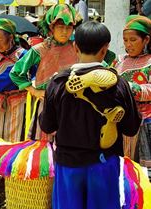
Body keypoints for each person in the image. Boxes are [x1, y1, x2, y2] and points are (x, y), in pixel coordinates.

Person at [39, 21, 142, 209]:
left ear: (75, 47)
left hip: (68, 164)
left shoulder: (57, 82)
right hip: (104, 163)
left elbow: (47, 126)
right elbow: (131, 127)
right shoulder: (119, 84)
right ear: (105, 50)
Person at [10, 4, 78, 140]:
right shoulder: (40, 49)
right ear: (51, 28)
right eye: (60, 27)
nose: (65, 31)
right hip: (46, 105)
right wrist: (34, 91)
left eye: (69, 27)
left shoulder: (77, 48)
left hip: (73, 106)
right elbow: (16, 73)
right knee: (43, 151)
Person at [114, 15, 151, 175]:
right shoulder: (119, 61)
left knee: (143, 172)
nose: (128, 44)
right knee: (124, 169)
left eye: (133, 39)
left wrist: (127, 87)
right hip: (122, 122)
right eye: (125, 40)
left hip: (145, 123)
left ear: (146, 40)